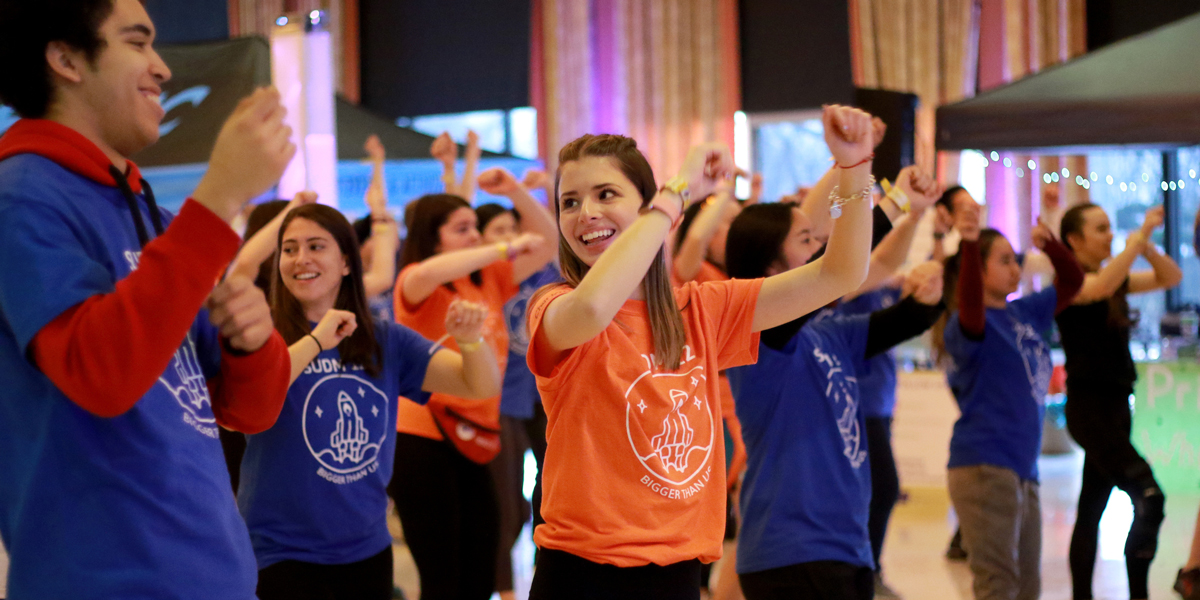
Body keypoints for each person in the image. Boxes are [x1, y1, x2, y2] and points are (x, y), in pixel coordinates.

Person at [0, 0, 295, 596]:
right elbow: (101, 371)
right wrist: (217, 200)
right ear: (64, 58)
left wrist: (254, 339)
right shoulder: (20, 197)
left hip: (218, 577)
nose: (162, 68)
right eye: (137, 43)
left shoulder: (151, 218)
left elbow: (250, 410)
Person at [525, 104, 877, 599]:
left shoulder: (704, 310)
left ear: (643, 204)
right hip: (582, 573)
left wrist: (854, 168)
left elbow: (838, 273)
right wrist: (673, 197)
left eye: (606, 194)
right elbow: (593, 309)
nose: (586, 213)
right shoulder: (554, 306)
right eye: (569, 202)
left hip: (679, 570)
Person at [236, 204, 500, 600]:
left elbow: (478, 383)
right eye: (289, 249)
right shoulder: (262, 336)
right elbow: (248, 400)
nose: (301, 259)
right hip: (279, 552)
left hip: (366, 549)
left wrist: (470, 340)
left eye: (315, 246)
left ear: (345, 262)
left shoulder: (384, 339)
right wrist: (315, 342)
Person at [724, 196, 945, 599]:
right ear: (771, 267)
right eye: (806, 239)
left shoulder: (828, 333)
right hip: (793, 556)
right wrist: (890, 199)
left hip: (846, 549)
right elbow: (831, 267)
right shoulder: (756, 336)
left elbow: (905, 320)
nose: (818, 246)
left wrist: (929, 290)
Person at [390, 167, 557, 600]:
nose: (473, 237)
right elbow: (431, 269)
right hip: (424, 435)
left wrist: (517, 192)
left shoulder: (488, 279)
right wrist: (502, 245)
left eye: (473, 228)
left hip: (477, 431)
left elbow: (550, 242)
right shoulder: (415, 283)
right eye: (461, 229)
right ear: (433, 235)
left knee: (483, 560)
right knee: (444, 574)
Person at [934, 203, 1084, 600]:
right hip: (984, 466)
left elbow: (1072, 281)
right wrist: (968, 245)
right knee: (998, 585)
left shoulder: (1024, 313)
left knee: (1028, 587)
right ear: (978, 272)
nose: (1016, 269)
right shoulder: (968, 324)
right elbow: (970, 307)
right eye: (1004, 261)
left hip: (1023, 468)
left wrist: (1051, 244)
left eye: (1016, 260)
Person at [1057, 203, 1180, 600]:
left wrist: (1144, 248)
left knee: (1091, 510)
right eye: (1101, 228)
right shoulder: (1069, 281)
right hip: (1089, 411)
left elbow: (1170, 276)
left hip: (1115, 406)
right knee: (1149, 495)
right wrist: (1138, 238)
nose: (1111, 235)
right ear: (1074, 240)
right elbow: (1104, 286)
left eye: (1111, 228)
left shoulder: (1115, 278)